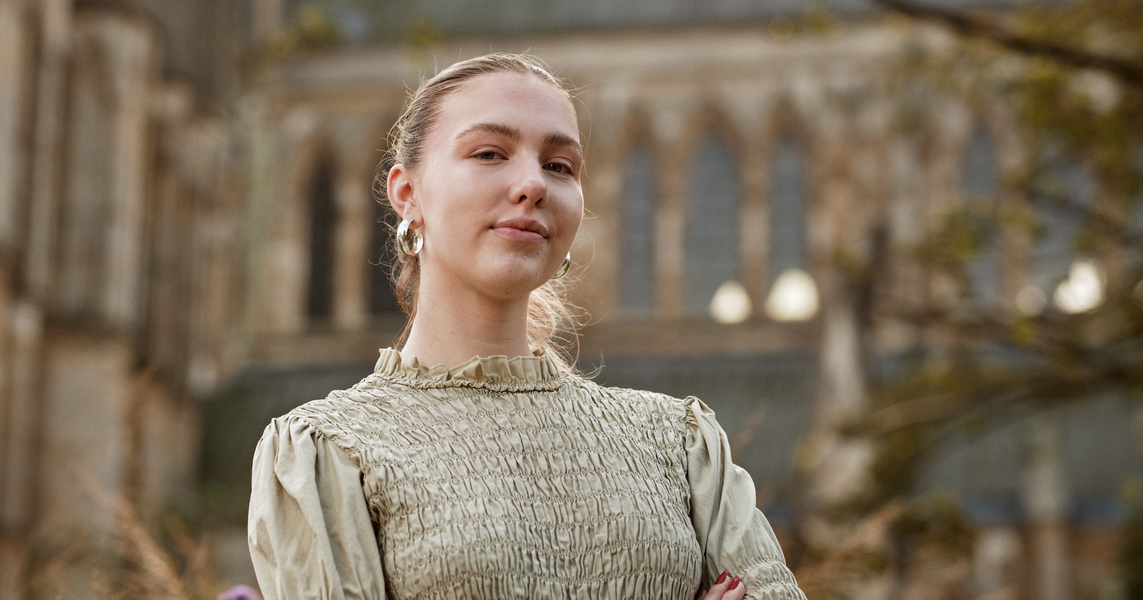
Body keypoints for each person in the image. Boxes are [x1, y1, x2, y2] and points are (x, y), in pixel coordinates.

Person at [247, 53, 805, 600]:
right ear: (407, 193)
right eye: (490, 153)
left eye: (559, 165)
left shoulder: (678, 446)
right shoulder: (330, 453)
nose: (533, 184)